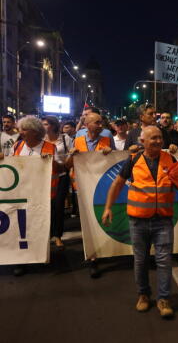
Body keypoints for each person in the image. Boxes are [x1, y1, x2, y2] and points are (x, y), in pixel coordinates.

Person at [102, 126, 175, 318]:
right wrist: (108, 207)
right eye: (153, 138)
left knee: (164, 261)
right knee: (140, 260)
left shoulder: (170, 159)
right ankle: (143, 295)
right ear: (142, 142)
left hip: (163, 220)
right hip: (138, 221)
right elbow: (117, 183)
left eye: (160, 138)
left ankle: (164, 299)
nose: (158, 141)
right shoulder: (133, 160)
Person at [1, 116, 59, 276]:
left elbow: (60, 169)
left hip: (42, 194)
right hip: (21, 192)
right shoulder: (17, 146)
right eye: (21, 129)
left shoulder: (50, 147)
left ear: (35, 131)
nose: (21, 132)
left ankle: (40, 255)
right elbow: (9, 166)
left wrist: (51, 162)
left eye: (25, 129)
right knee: (21, 227)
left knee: (39, 225)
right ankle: (21, 260)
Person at [66, 112, 114, 278]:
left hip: (101, 187)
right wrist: (71, 155)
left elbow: (114, 162)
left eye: (101, 122)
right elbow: (68, 165)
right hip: (82, 187)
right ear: (87, 124)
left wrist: (111, 152)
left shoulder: (107, 139)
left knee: (100, 218)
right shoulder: (77, 141)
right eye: (98, 122)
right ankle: (93, 258)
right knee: (87, 223)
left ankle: (104, 249)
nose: (101, 125)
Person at [42, 116, 73, 248]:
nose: (43, 126)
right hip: (44, 178)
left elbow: (71, 156)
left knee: (58, 206)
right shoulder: (40, 139)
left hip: (61, 176)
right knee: (45, 207)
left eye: (46, 124)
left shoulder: (65, 139)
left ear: (54, 125)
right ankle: (46, 235)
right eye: (42, 124)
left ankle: (58, 236)